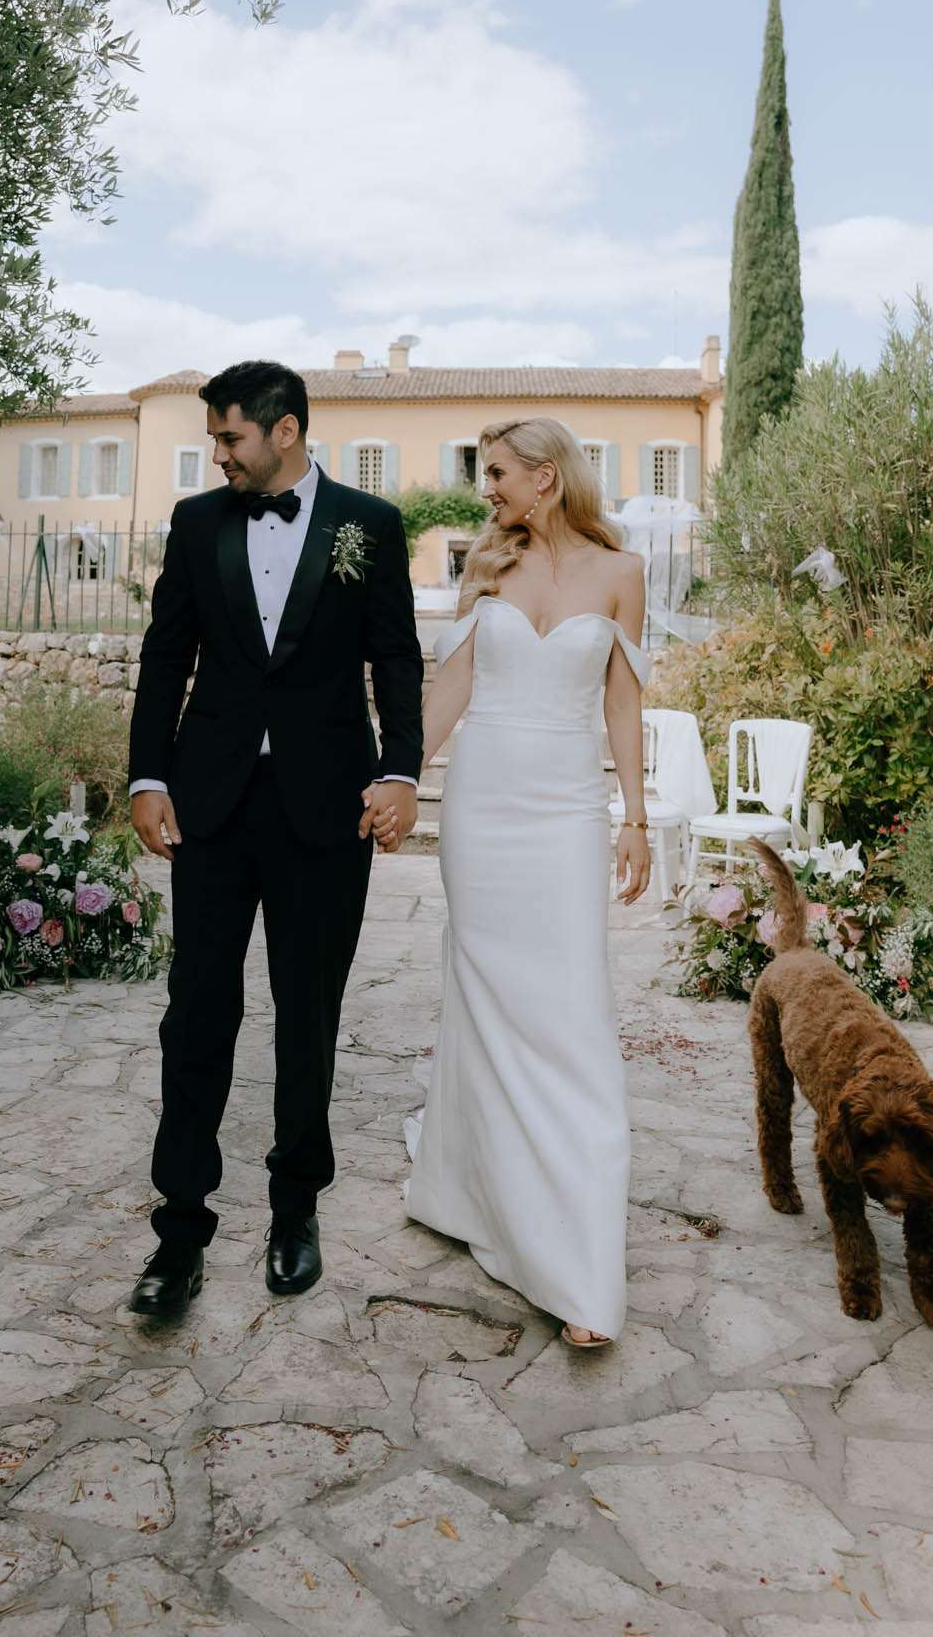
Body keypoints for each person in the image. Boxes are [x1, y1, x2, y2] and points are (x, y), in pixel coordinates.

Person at [127, 360, 424, 1316]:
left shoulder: (367, 526)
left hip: (325, 805)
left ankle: (295, 1207)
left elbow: (396, 657)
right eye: (216, 440)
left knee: (308, 1014)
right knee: (196, 1015)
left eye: (230, 438)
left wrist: (399, 772)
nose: (219, 454)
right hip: (210, 803)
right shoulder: (195, 522)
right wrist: (147, 775)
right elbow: (166, 653)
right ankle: (180, 1229)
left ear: (284, 431)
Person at [386, 417, 651, 1349]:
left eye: (495, 473)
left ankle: (575, 1257)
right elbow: (452, 687)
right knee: (486, 997)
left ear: (545, 477)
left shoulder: (621, 575)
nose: (484, 489)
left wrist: (635, 817)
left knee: (569, 1016)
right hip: (484, 809)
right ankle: (472, 1186)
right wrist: (394, 779)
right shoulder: (485, 568)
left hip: (564, 816)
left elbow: (622, 699)